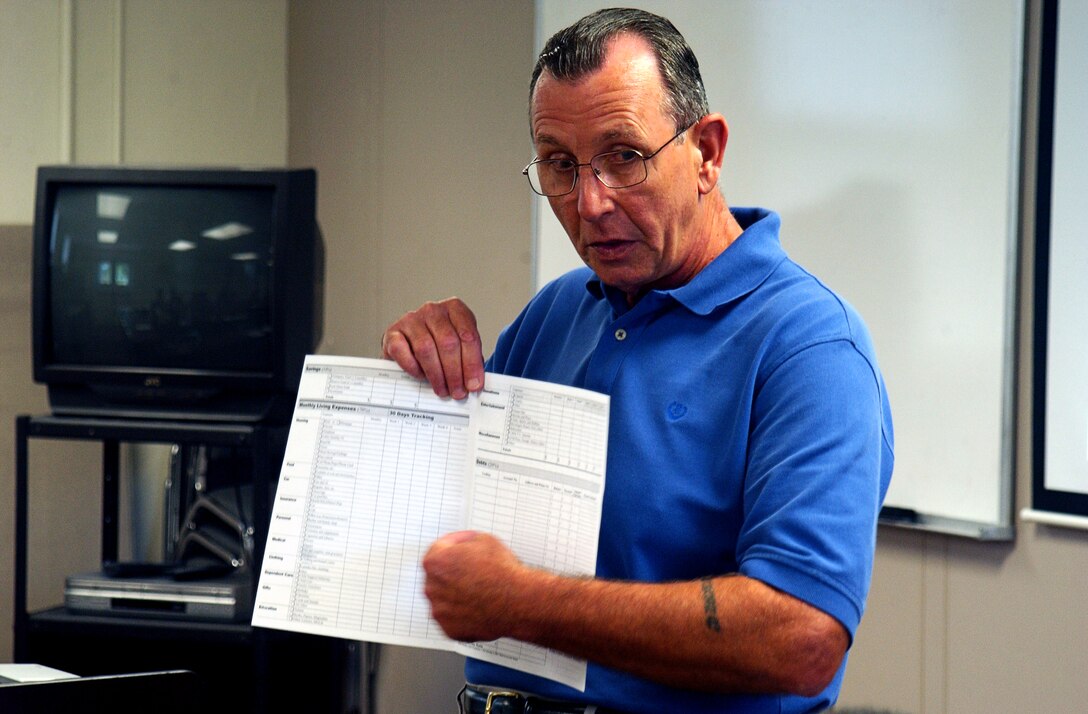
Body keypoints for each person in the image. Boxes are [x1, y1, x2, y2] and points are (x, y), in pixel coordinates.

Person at [381, 8, 894, 714]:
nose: (590, 204)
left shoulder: (810, 347)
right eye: (560, 165)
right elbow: (439, 524)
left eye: (624, 156)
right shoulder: (557, 311)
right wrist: (417, 371)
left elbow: (800, 637)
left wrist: (524, 604)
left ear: (707, 152)